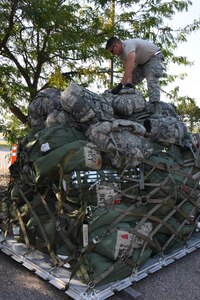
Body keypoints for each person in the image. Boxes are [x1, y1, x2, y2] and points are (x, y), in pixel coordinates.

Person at [105, 36, 164, 116]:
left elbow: (129, 68)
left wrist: (120, 85)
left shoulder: (129, 46)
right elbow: (128, 71)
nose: (113, 54)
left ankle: (156, 108)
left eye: (112, 51)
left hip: (154, 58)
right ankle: (130, 105)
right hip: (142, 63)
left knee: (151, 80)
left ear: (116, 45)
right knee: (128, 85)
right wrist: (128, 84)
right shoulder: (121, 55)